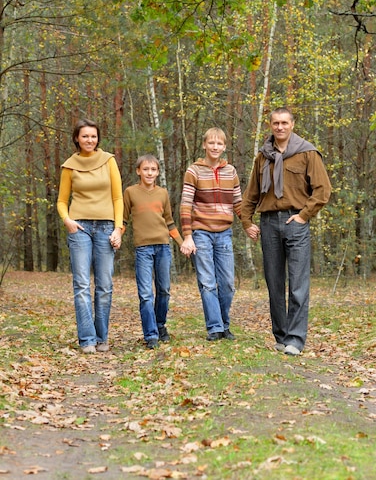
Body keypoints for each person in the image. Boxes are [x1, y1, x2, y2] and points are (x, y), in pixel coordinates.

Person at [241, 107, 331, 356]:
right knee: (274, 283)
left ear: (292, 124)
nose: (279, 127)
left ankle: (295, 339)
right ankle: (280, 336)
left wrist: (303, 216)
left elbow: (323, 190)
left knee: (298, 283)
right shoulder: (263, 156)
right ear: (270, 126)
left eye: (284, 123)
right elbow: (251, 193)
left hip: (295, 222)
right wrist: (246, 221)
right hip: (269, 222)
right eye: (275, 123)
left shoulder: (307, 153)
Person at [57, 119, 123, 354]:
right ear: (77, 138)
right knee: (82, 284)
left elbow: (118, 198)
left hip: (106, 228)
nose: (89, 140)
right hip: (80, 228)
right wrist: (67, 220)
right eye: (85, 136)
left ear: (98, 138)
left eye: (93, 136)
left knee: (104, 285)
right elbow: (62, 201)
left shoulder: (109, 160)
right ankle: (87, 339)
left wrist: (118, 228)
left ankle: (102, 337)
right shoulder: (69, 166)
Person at [180, 127, 242, 341]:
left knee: (227, 284)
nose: (215, 147)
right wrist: (187, 235)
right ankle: (215, 327)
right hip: (201, 233)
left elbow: (238, 203)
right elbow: (186, 204)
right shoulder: (193, 171)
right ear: (204, 145)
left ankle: (224, 324)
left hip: (224, 232)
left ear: (224, 147)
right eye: (211, 143)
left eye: (219, 144)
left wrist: (249, 224)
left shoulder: (231, 171)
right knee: (207, 282)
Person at [123, 154, 183, 350]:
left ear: (158, 172)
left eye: (153, 170)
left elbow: (169, 221)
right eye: (146, 169)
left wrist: (181, 242)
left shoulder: (163, 193)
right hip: (143, 249)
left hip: (163, 247)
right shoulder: (130, 192)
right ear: (138, 171)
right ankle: (150, 335)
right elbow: (123, 219)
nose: (150, 173)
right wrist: (117, 234)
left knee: (164, 290)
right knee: (146, 294)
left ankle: (160, 325)